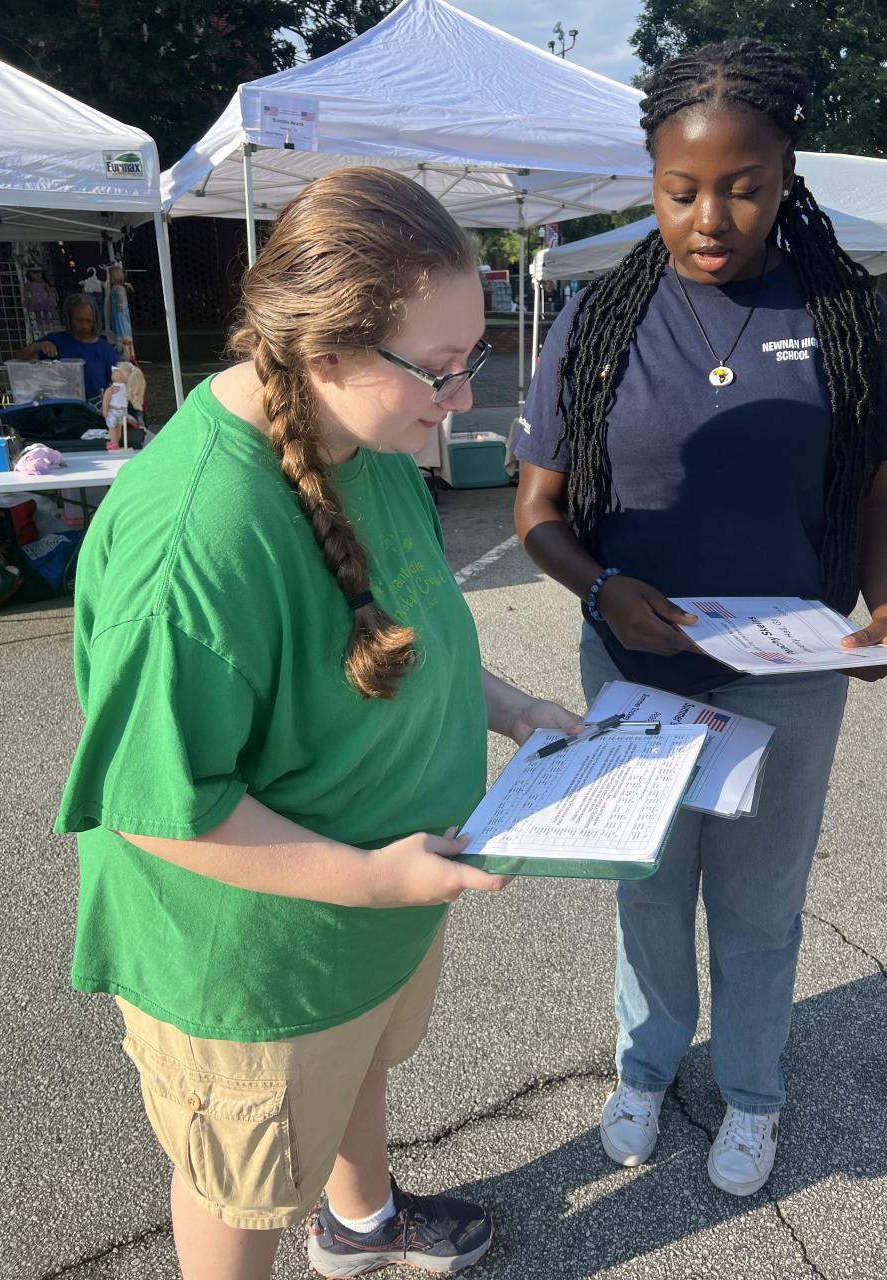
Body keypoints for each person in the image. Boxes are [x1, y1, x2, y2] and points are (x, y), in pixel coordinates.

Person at [55, 167, 581, 1280]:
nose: (462, 398)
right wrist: (375, 879)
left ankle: (359, 1221)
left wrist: (515, 711)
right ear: (327, 350)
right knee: (237, 1183)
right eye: (440, 368)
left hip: (371, 910)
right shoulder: (195, 542)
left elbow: (403, 630)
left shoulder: (364, 437)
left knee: (359, 1071)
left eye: (474, 357)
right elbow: (158, 808)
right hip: (260, 965)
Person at [513, 39, 887, 1198]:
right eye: (679, 188)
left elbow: (874, 499)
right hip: (637, 667)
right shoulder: (599, 318)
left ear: (787, 174)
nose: (710, 217)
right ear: (651, 180)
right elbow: (536, 512)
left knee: (760, 902)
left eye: (743, 186)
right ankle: (645, 1068)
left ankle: (751, 1089)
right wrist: (599, 586)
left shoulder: (848, 318)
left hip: (790, 677)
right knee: (648, 887)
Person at [12, 292, 116, 407]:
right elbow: (19, 358)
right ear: (69, 318)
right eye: (79, 320)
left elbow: (117, 381)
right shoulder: (56, 341)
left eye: (88, 321)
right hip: (60, 410)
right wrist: (38, 346)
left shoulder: (104, 349)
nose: (84, 326)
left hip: (95, 410)